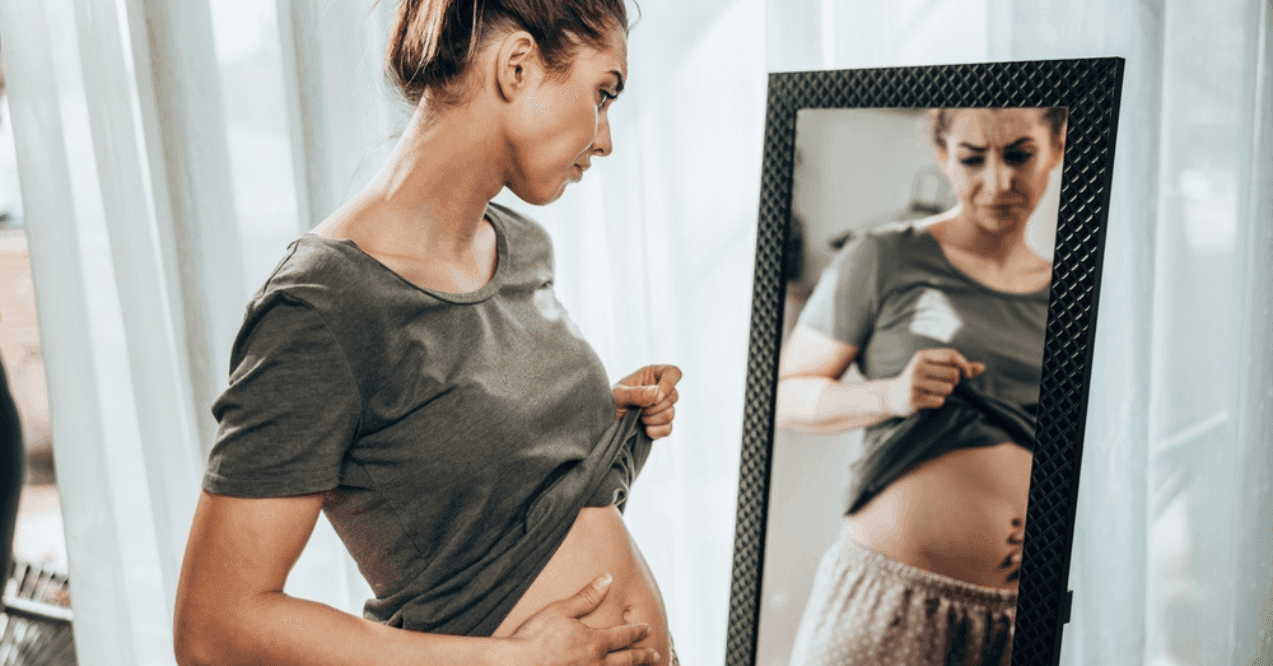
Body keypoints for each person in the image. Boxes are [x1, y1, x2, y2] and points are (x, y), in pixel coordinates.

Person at [172, 1, 683, 665]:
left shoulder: (519, 245)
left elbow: (477, 484)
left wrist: (593, 411)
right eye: (603, 93)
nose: (605, 137)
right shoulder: (321, 307)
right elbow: (215, 629)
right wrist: (511, 662)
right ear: (518, 66)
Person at [776, 107, 1066, 666]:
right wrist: (889, 394)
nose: (998, 182)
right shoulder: (882, 256)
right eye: (972, 158)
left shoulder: (1073, 292)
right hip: (891, 601)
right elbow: (782, 397)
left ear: (1055, 146)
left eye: (1020, 155)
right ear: (942, 155)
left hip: (1021, 620)